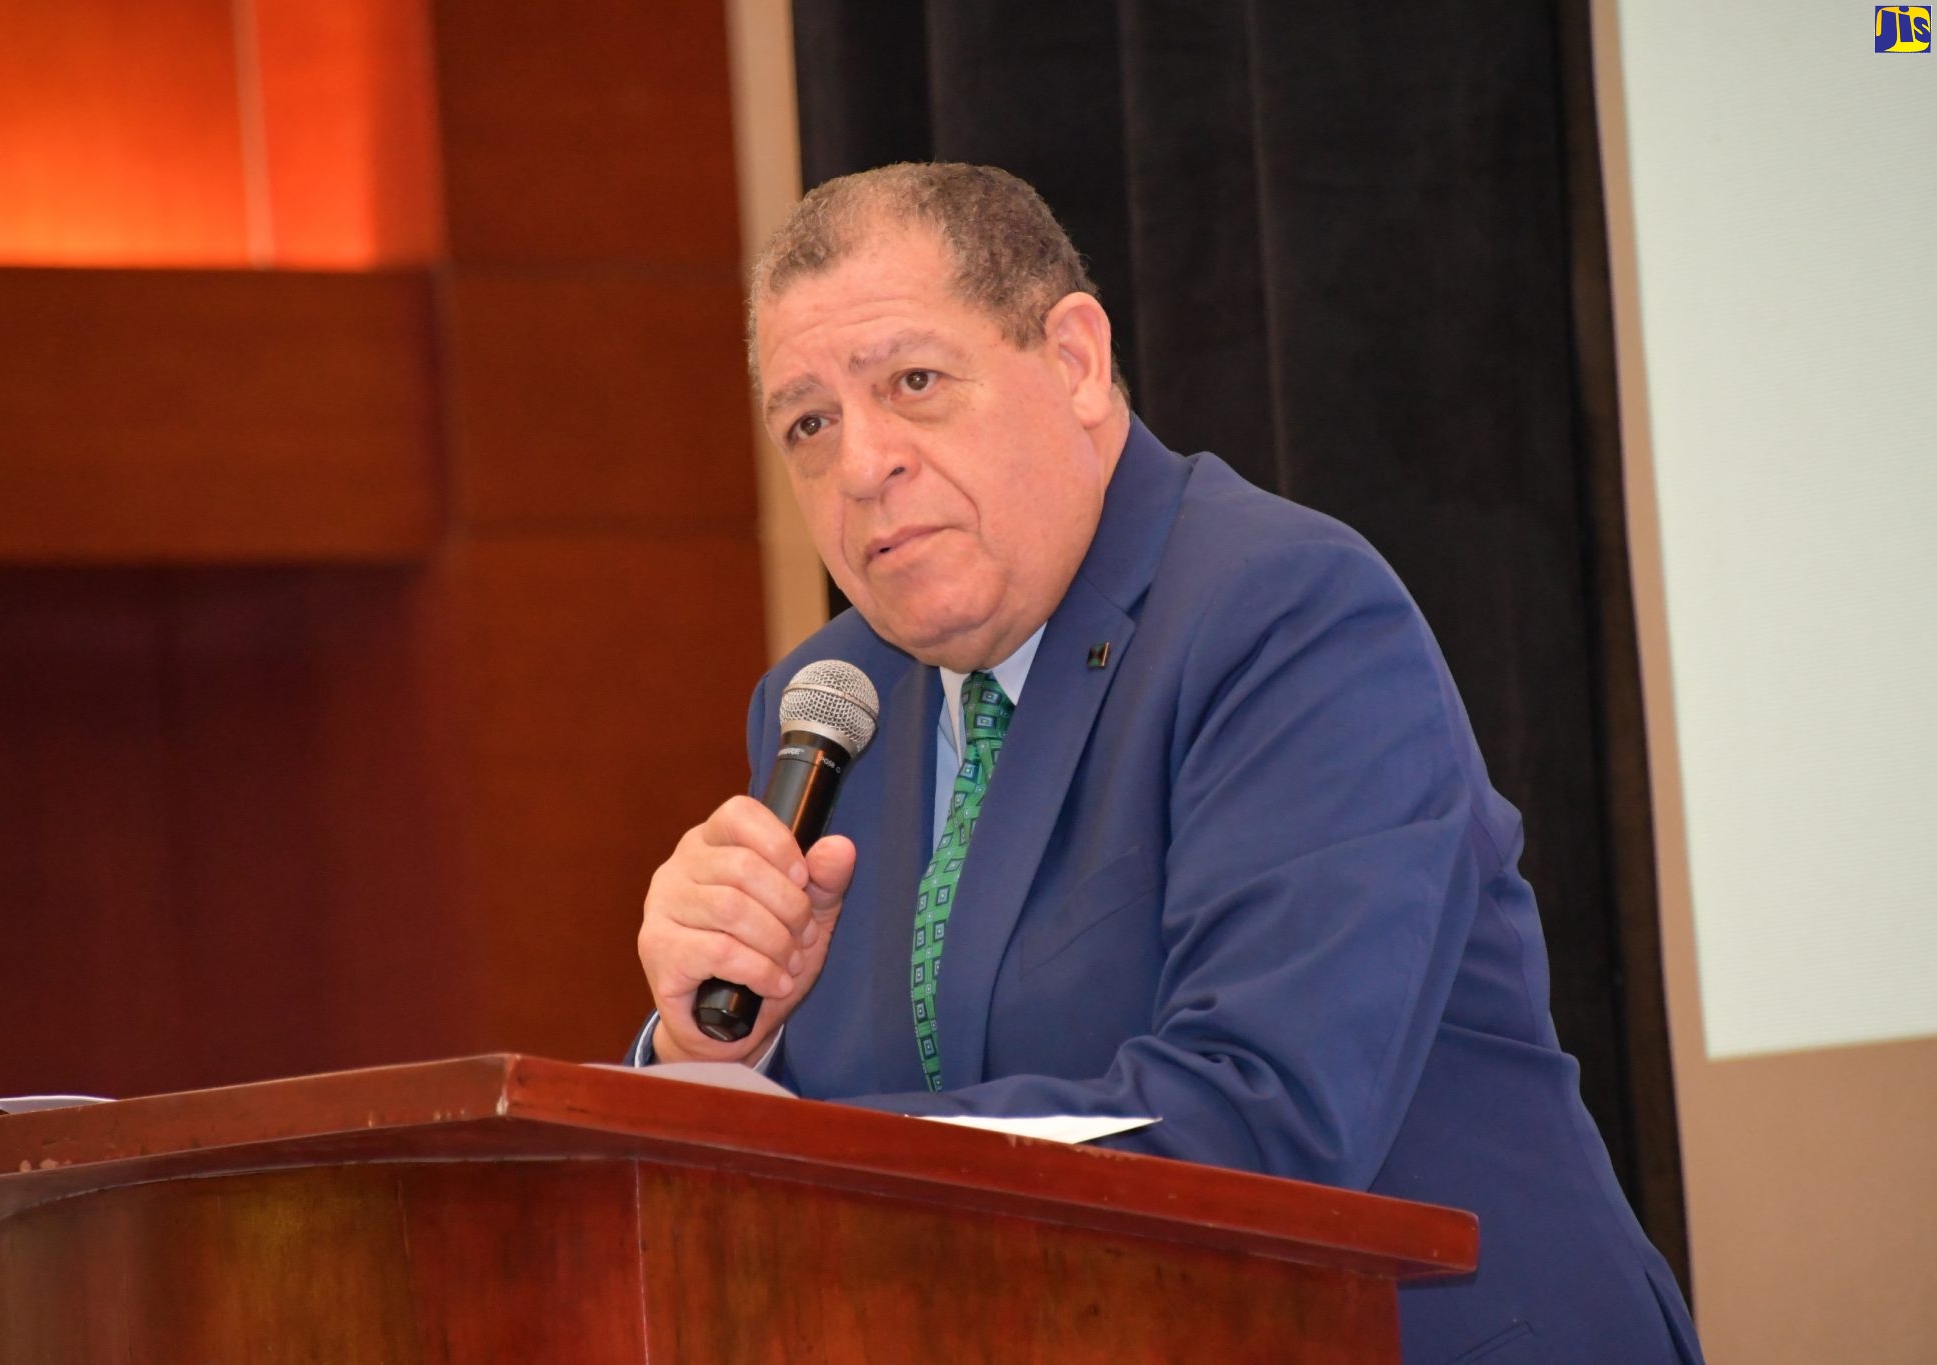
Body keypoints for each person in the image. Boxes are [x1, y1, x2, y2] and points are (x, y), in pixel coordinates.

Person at [632, 162, 1703, 1364]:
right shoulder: (825, 709)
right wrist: (711, 1055)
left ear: (1076, 362)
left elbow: (1257, 1119)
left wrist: (782, 1148)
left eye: (913, 382)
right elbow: (834, 1101)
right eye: (808, 423)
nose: (860, 464)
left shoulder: (1280, 614)